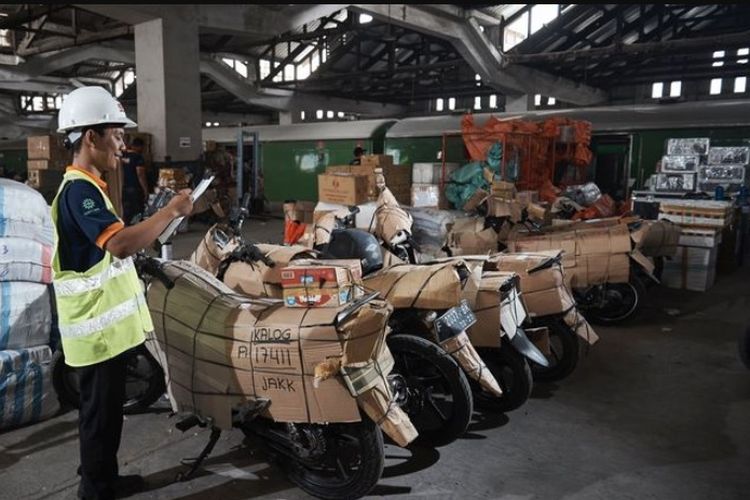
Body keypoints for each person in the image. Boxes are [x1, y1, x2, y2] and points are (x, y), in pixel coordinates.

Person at [51, 86, 193, 500]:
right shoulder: (79, 190)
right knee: (99, 415)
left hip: (106, 332)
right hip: (95, 334)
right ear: (90, 137)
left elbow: (118, 243)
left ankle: (104, 480)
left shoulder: (90, 186)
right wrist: (169, 211)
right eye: (116, 135)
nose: (122, 145)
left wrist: (161, 219)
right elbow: (119, 244)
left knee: (108, 412)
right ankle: (95, 490)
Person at [121, 137, 149, 225]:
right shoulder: (138, 157)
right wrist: (145, 190)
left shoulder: (122, 156)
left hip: (123, 188)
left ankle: (127, 227)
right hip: (135, 189)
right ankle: (136, 228)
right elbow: (140, 175)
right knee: (137, 212)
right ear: (140, 146)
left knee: (126, 212)